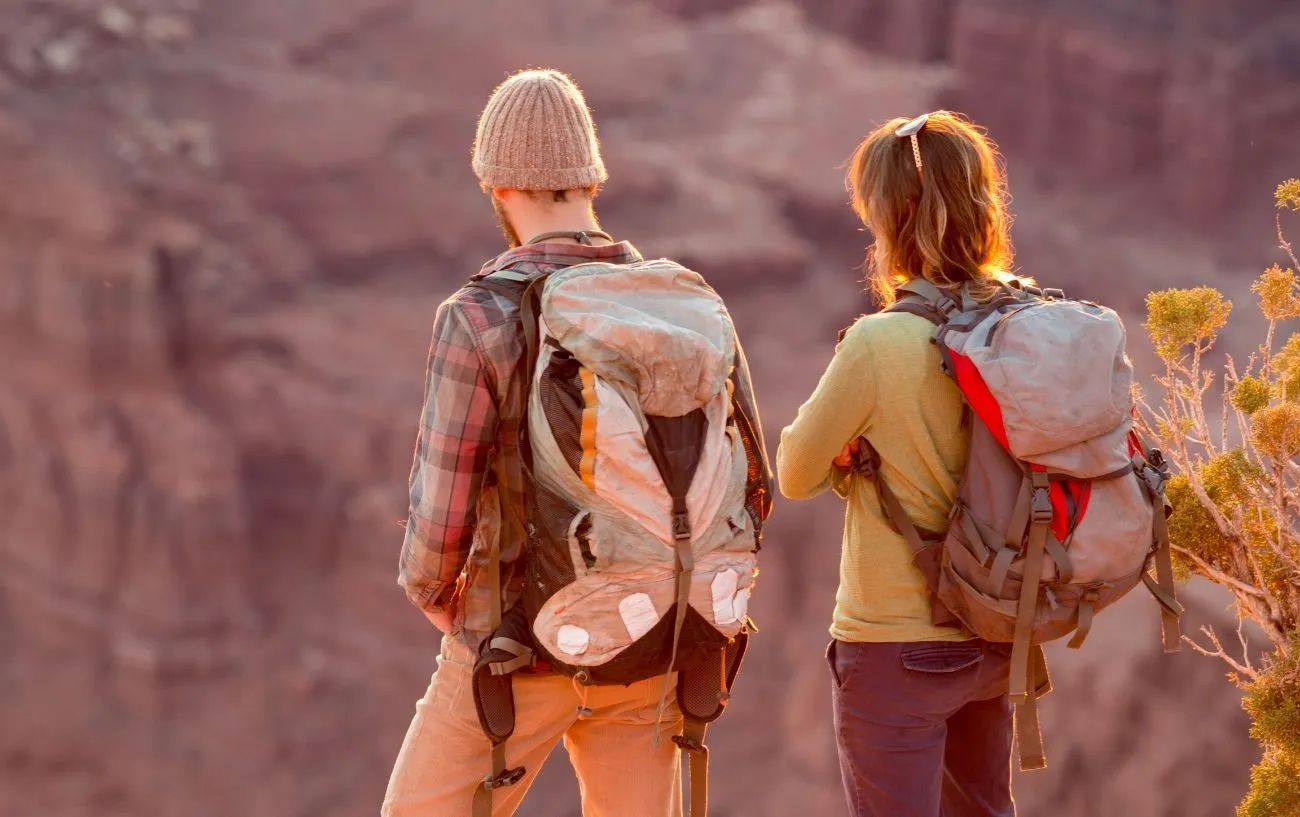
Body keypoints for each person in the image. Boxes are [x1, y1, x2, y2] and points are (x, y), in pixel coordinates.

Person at [382, 68, 771, 817]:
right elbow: (754, 482)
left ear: (495, 184)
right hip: (653, 641)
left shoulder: (479, 315)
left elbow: (441, 504)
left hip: (513, 650)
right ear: (591, 177)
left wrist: (437, 596)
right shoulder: (685, 303)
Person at [776, 111, 1027, 817]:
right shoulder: (1016, 321)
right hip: (992, 630)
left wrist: (847, 459)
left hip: (893, 648)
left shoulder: (879, 343)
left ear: (891, 221)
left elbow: (795, 469)